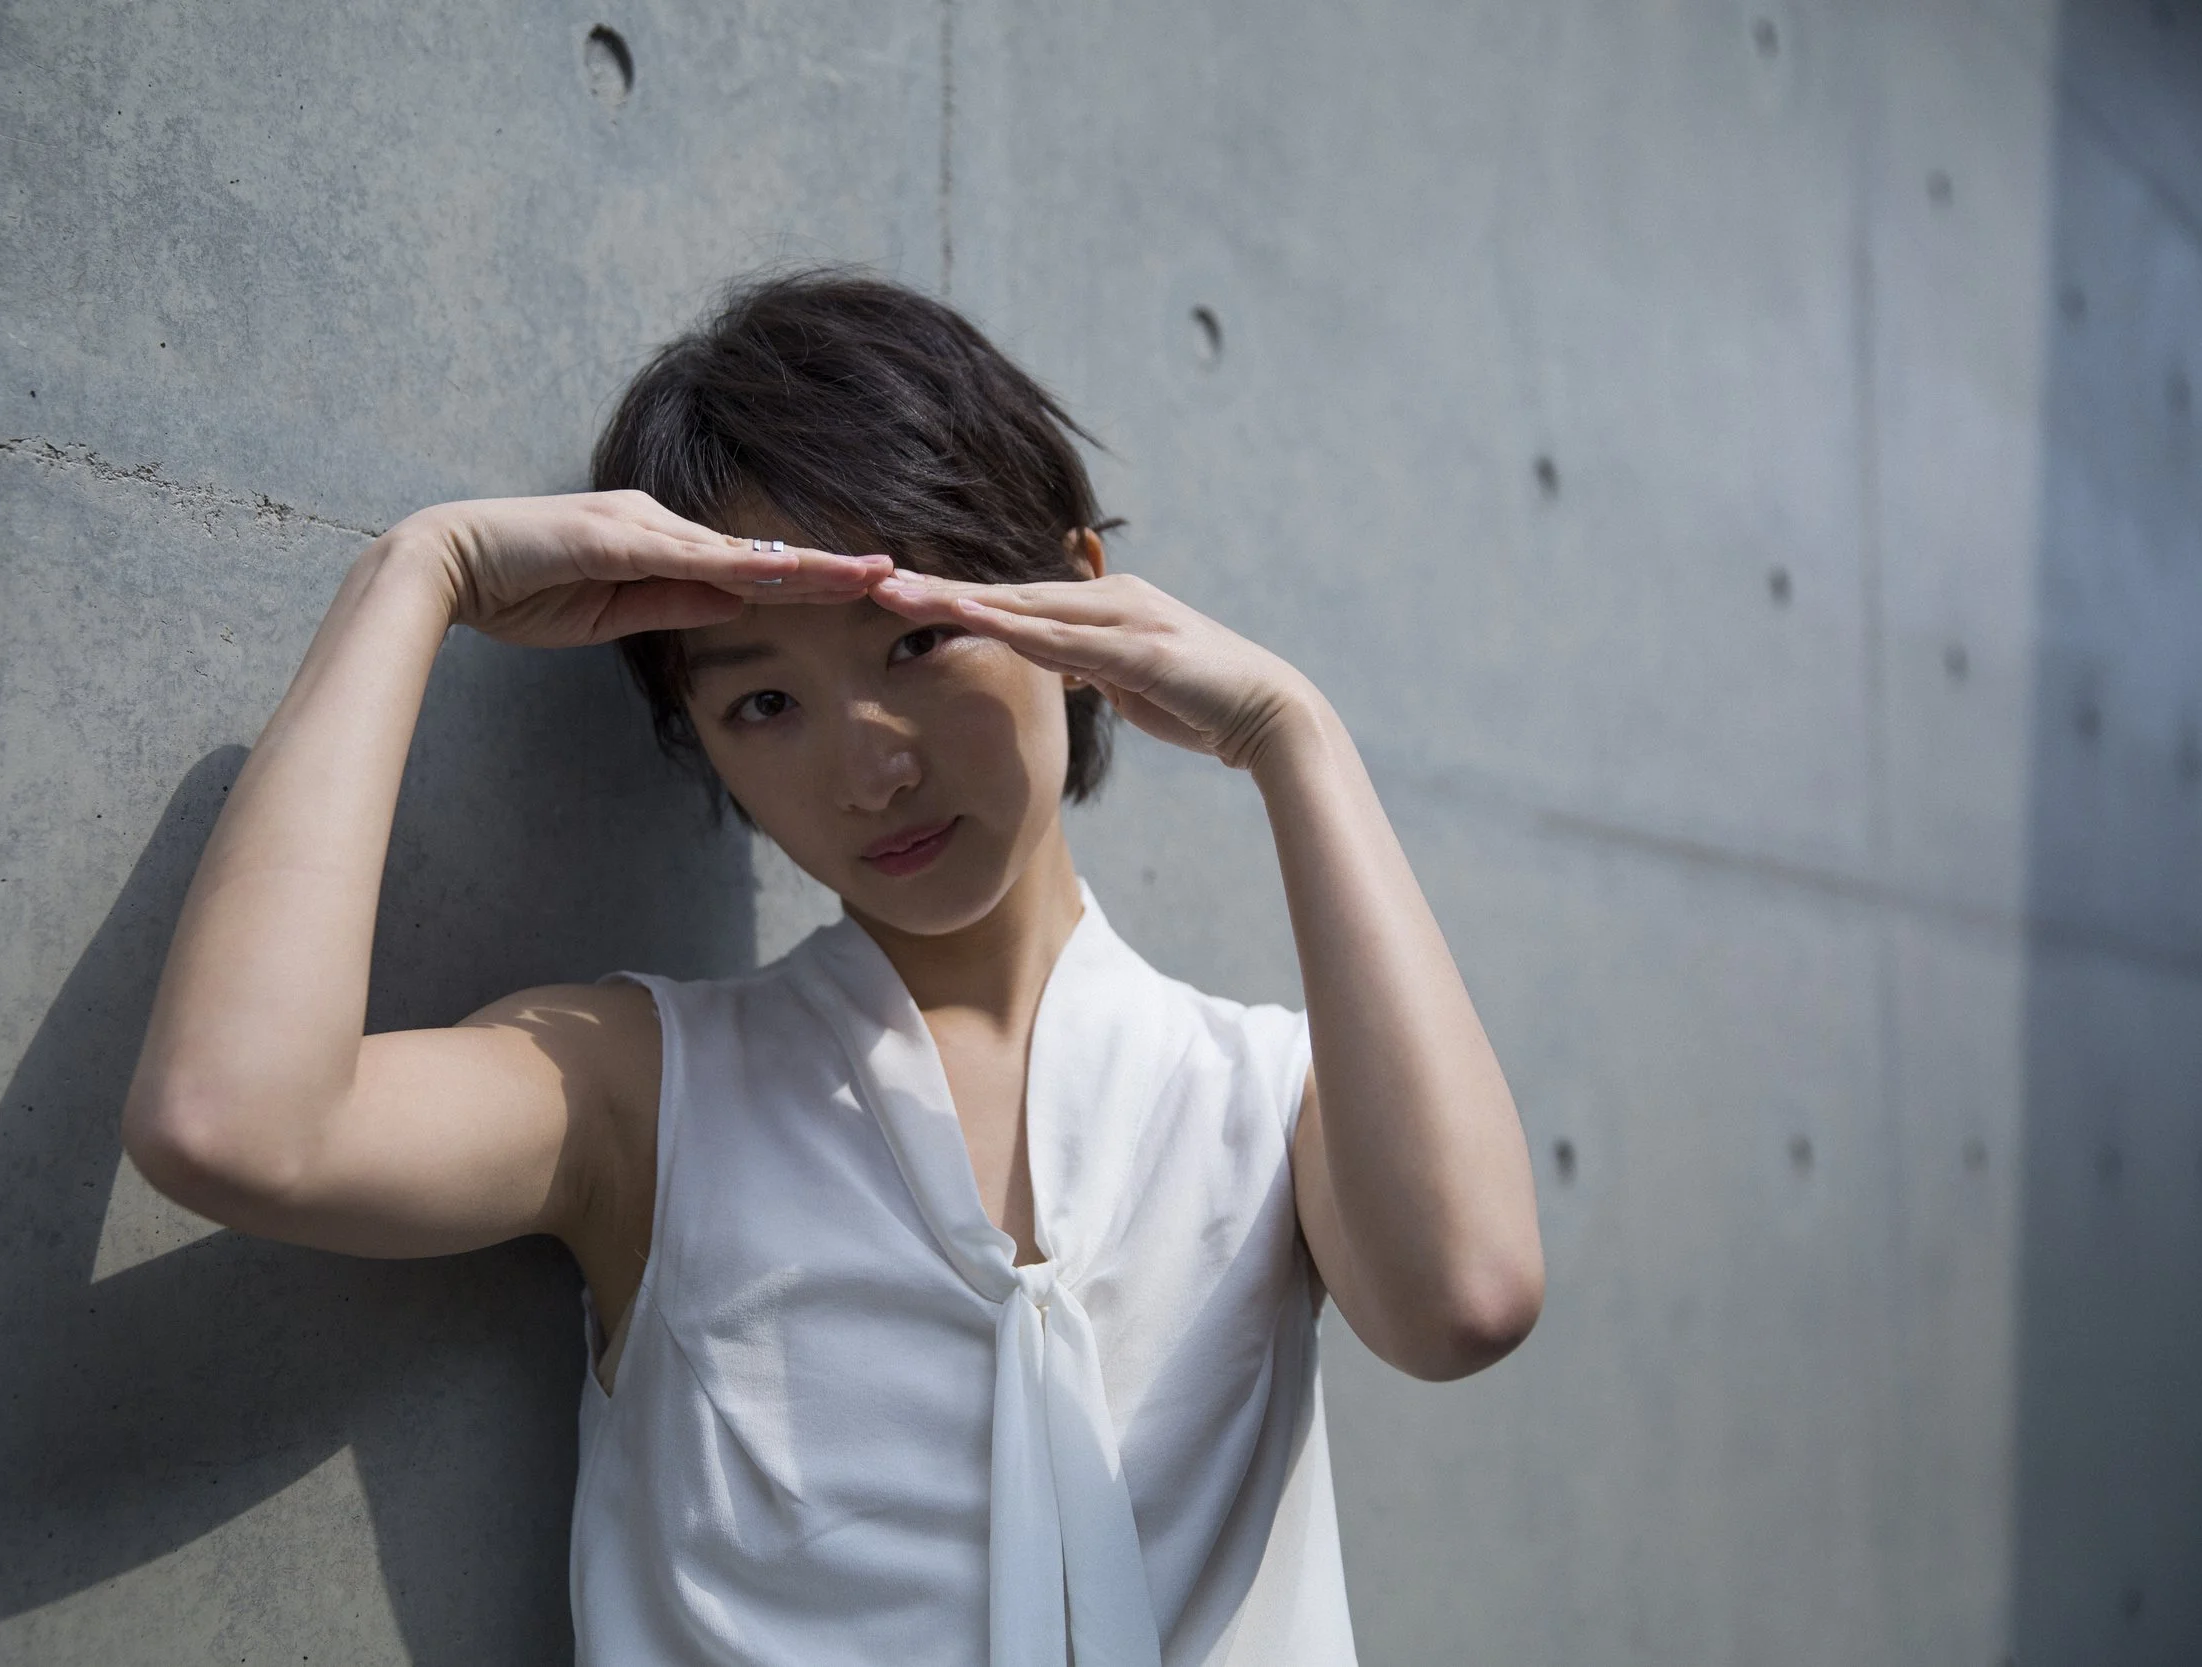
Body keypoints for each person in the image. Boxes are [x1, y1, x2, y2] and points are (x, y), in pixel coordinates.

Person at [122, 271, 1544, 1666]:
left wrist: (1293, 734)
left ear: (1075, 600)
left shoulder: (1264, 1099)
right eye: (762, 702)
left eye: (919, 639)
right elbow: (234, 1123)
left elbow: (1465, 1298)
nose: (868, 769)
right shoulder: (643, 1091)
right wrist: (413, 575)